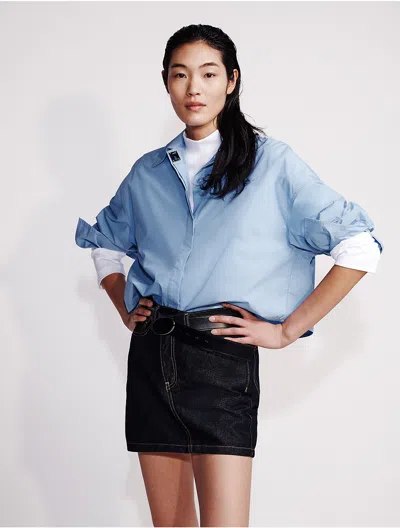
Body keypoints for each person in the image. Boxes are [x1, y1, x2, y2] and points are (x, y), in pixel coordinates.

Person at [74, 24, 383, 528]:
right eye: (180, 75)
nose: (193, 88)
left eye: (208, 73)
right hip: (152, 357)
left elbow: (359, 247)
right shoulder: (147, 172)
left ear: (231, 81)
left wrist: (286, 331)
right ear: (166, 82)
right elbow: (104, 245)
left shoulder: (272, 163)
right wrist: (125, 305)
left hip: (221, 361)